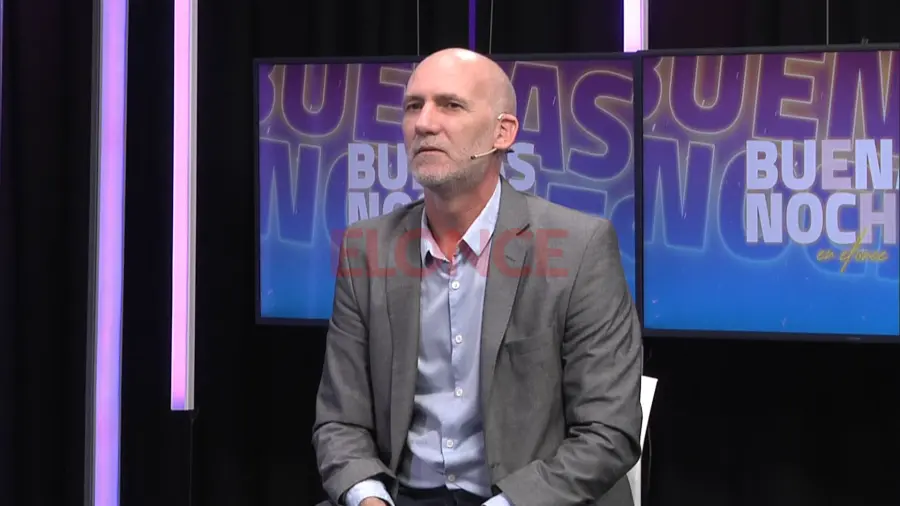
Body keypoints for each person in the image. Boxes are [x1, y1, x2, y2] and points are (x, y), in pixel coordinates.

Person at [313, 48, 643, 506]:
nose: (424, 123)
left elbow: (609, 431)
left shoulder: (580, 247)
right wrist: (368, 497)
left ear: (502, 132)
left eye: (450, 105)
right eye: (413, 106)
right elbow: (340, 421)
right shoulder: (366, 247)